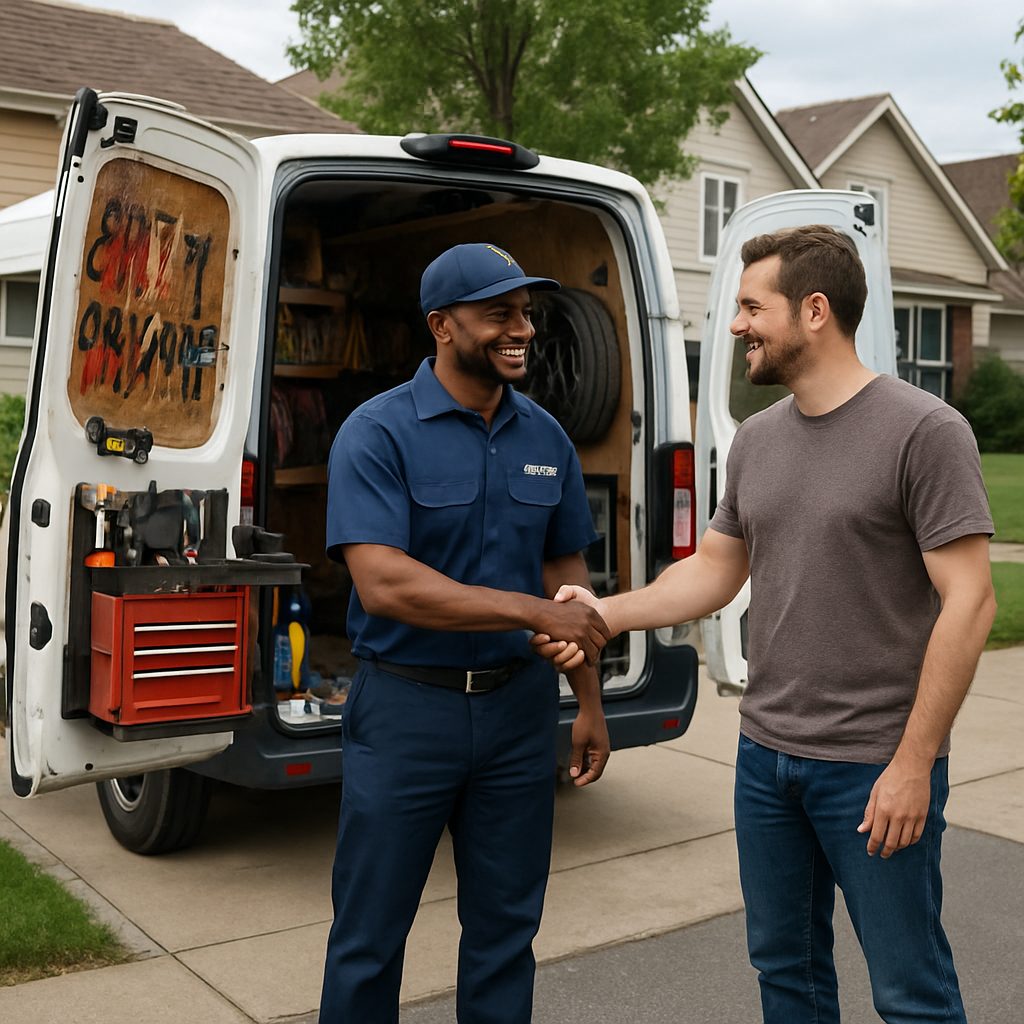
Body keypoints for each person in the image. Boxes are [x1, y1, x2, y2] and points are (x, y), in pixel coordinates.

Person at [541, 225, 997, 1023]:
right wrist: (605, 611)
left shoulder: (925, 432)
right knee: (786, 974)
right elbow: (717, 570)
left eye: (753, 306)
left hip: (872, 764)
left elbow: (971, 601)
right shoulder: (757, 440)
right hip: (767, 759)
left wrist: (913, 764)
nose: (737, 323)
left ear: (814, 310)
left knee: (909, 990)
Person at [318, 242, 612, 1024]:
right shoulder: (376, 433)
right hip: (407, 712)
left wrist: (587, 701)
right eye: (499, 314)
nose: (522, 328)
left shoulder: (547, 439)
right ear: (442, 326)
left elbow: (567, 585)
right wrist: (530, 613)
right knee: (370, 935)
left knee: (505, 935)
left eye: (526, 312)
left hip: (518, 717)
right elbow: (384, 583)